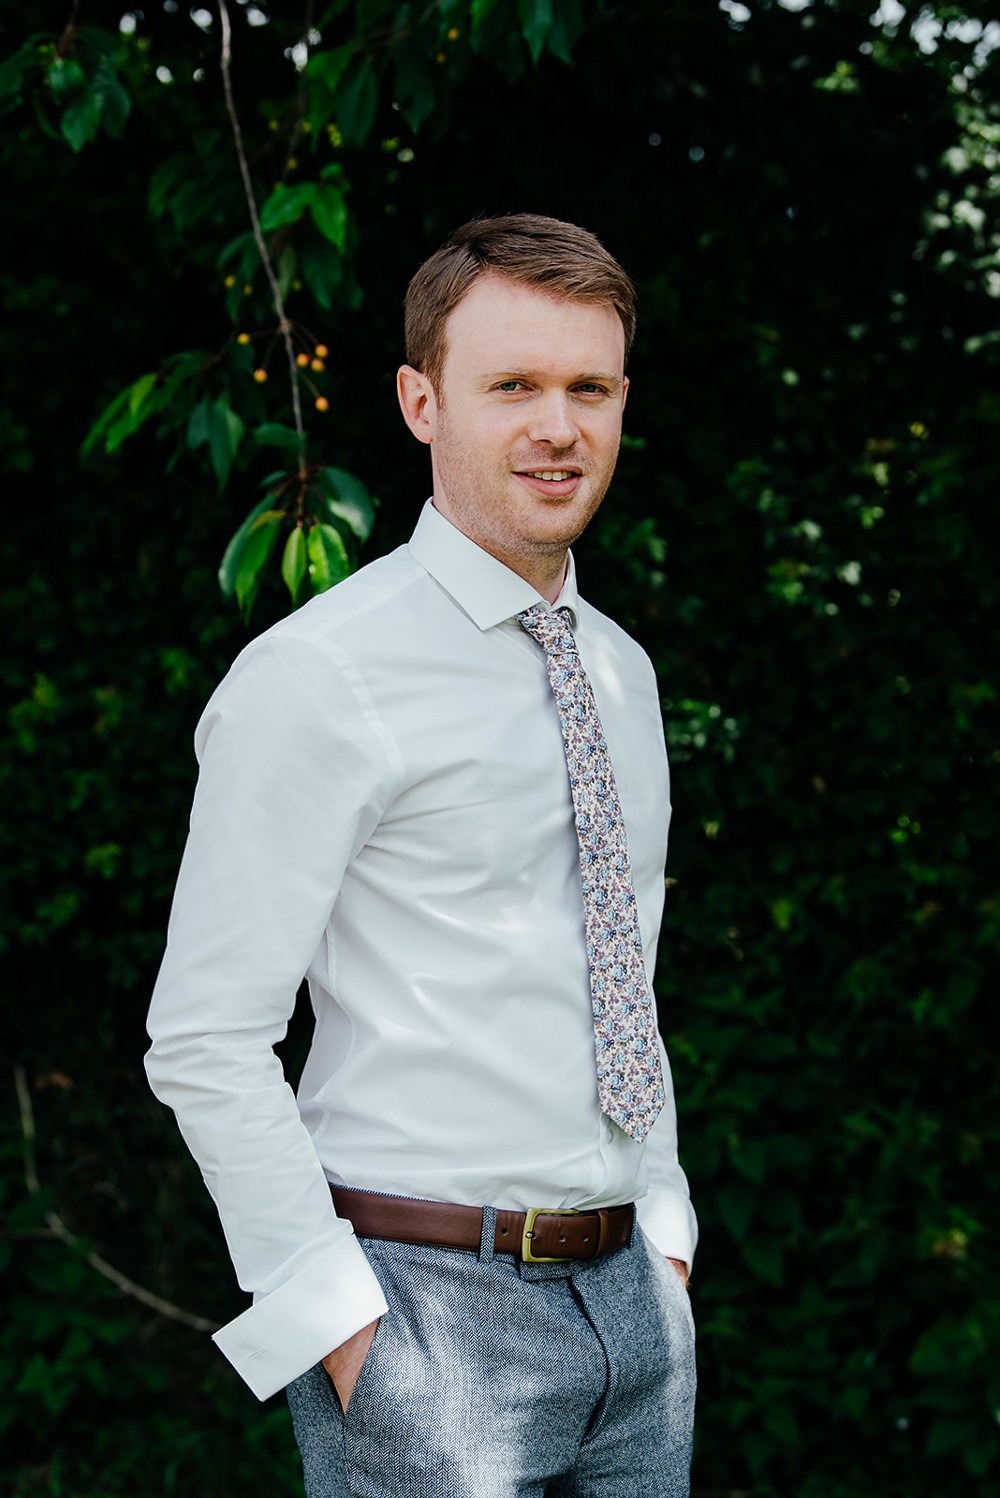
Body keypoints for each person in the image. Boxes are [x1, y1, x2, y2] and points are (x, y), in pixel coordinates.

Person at [145, 213, 697, 1497]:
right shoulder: (319, 678)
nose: (557, 427)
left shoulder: (621, 673)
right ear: (418, 401)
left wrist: (663, 1234)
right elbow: (206, 1033)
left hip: (635, 1312)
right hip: (424, 1319)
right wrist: (339, 1326)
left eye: (588, 389)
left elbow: (625, 976)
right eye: (512, 385)